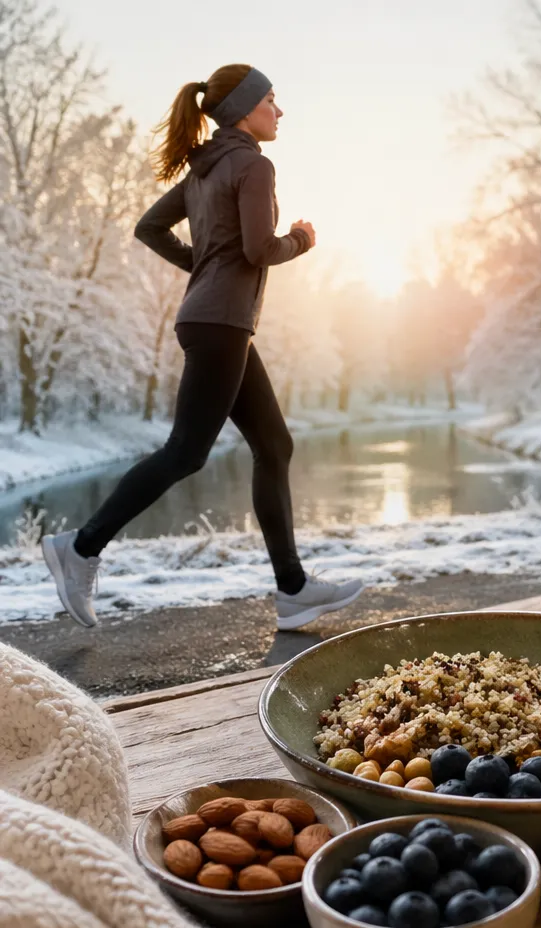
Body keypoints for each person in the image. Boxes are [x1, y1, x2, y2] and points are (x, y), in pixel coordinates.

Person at [41, 64, 363, 631]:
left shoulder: (205, 170)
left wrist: (204, 266)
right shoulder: (254, 165)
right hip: (221, 322)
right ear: (243, 109)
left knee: (274, 443)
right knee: (187, 452)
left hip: (215, 320)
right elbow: (262, 249)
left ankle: (292, 590)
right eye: (270, 100)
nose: (279, 111)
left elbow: (149, 227)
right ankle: (81, 548)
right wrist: (303, 240)